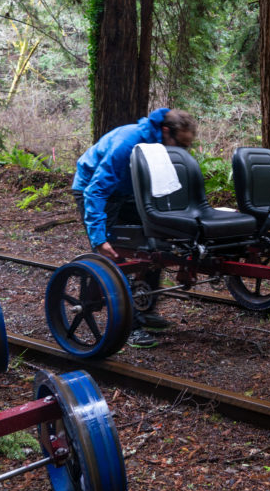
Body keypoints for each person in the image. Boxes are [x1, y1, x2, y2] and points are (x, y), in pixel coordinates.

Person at [72, 108, 198, 348]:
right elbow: (96, 190)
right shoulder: (128, 143)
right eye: (180, 144)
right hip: (95, 189)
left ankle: (145, 309)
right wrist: (99, 239)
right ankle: (130, 326)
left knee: (153, 243)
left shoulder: (164, 146)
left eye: (187, 147)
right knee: (116, 253)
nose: (182, 151)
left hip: (130, 191)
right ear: (165, 131)